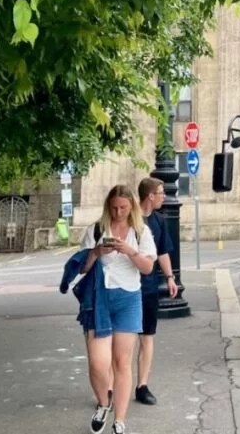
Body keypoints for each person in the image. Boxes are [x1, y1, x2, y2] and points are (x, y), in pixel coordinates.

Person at [80, 185, 155, 434]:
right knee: (98, 364)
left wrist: (130, 251)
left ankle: (120, 421)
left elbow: (147, 268)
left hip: (128, 300)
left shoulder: (141, 231)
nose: (118, 212)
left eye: (123, 207)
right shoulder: (96, 230)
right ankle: (104, 403)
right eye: (113, 207)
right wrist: (96, 252)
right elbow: (81, 269)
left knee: (122, 363)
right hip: (99, 300)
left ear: (132, 206)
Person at [134, 178, 178, 406]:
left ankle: (142, 385)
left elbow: (162, 252)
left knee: (147, 336)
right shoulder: (130, 219)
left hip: (149, 288)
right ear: (150, 196)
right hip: (128, 288)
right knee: (122, 339)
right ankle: (111, 387)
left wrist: (170, 278)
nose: (164, 196)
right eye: (161, 193)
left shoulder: (159, 220)